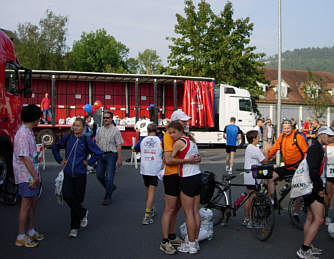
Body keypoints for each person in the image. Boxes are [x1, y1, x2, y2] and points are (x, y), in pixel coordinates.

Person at [52, 117, 102, 238]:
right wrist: (60, 160)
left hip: (80, 174)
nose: (76, 127)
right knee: (67, 196)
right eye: (74, 125)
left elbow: (98, 153)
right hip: (68, 173)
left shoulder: (86, 140)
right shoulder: (68, 137)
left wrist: (88, 162)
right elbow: (55, 147)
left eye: (78, 125)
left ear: (83, 128)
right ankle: (83, 212)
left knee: (77, 200)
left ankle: (74, 228)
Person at [160, 110, 200, 255]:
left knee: (177, 208)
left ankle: (172, 236)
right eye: (183, 121)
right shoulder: (168, 136)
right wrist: (188, 160)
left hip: (183, 176)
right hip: (172, 175)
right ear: (176, 123)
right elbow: (168, 159)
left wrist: (194, 159)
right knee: (170, 208)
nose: (186, 123)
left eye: (186, 121)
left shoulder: (185, 137)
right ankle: (165, 241)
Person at [296, 126, 334, 259]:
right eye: (328, 136)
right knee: (320, 219)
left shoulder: (317, 148)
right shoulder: (316, 148)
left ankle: (308, 245)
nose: (331, 138)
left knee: (311, 217)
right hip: (312, 188)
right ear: (321, 135)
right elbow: (313, 170)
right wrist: (319, 189)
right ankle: (304, 249)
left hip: (310, 187)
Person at [14, 104, 43, 247]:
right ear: (34, 118)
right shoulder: (23, 134)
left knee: (33, 203)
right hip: (26, 175)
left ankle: (30, 231)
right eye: (38, 117)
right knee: (25, 205)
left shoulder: (29, 131)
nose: (39, 120)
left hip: (32, 173)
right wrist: (35, 177)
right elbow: (24, 157)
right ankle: (21, 236)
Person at [267, 120, 309, 205]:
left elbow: (306, 152)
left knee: (298, 189)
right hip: (287, 167)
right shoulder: (282, 136)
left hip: (297, 168)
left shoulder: (298, 137)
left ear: (292, 127)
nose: (286, 130)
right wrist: (266, 159)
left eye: (288, 128)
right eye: (284, 128)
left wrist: (303, 167)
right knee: (270, 177)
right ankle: (272, 201)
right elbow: (274, 149)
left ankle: (296, 211)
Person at [133, 123, 162, 225]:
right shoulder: (160, 140)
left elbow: (134, 148)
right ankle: (147, 215)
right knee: (152, 191)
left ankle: (150, 208)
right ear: (156, 130)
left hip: (145, 168)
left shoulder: (143, 140)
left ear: (147, 130)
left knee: (148, 190)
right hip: (154, 168)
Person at [95, 111, 123, 205]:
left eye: (107, 118)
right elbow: (97, 142)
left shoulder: (116, 130)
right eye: (104, 118)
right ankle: (111, 187)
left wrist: (119, 159)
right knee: (99, 175)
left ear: (111, 119)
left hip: (112, 155)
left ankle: (107, 197)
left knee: (110, 176)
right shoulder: (99, 130)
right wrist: (96, 154)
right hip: (101, 154)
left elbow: (119, 145)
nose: (105, 119)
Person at [243, 130, 268, 228]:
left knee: (249, 197)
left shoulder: (249, 147)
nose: (259, 139)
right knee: (252, 198)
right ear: (254, 139)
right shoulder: (255, 149)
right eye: (258, 137)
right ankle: (250, 221)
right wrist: (266, 151)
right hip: (253, 176)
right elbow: (264, 161)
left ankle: (246, 218)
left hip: (248, 175)